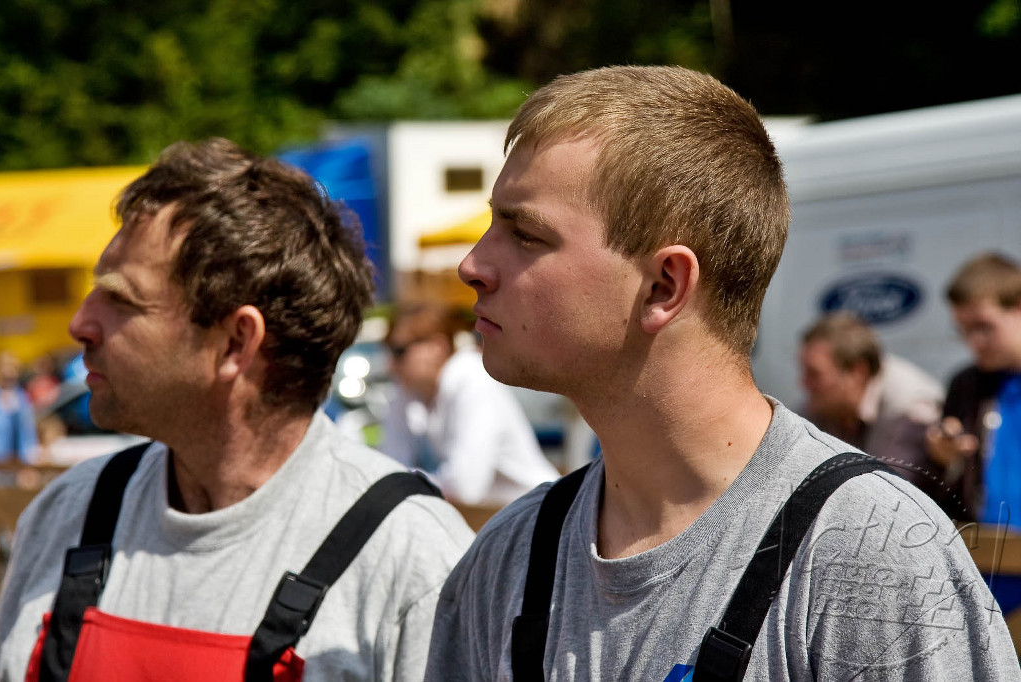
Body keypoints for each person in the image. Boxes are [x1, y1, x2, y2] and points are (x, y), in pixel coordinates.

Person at [424, 66, 1019, 680]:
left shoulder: (871, 556)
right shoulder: (509, 559)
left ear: (664, 286)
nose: (473, 266)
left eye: (525, 234)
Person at [0, 138, 474, 681]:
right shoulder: (68, 514)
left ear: (235, 342)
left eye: (122, 300)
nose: (80, 324)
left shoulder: (408, 560)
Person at [381, 302, 559, 506]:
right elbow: (390, 468)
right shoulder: (410, 392)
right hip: (496, 514)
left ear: (437, 347)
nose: (389, 365)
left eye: (399, 351)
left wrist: (405, 482)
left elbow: (465, 488)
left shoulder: (472, 379)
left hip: (543, 513)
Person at [798, 312, 945, 497]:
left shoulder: (909, 407)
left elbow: (889, 491)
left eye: (814, 374)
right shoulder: (820, 405)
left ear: (858, 372)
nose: (803, 383)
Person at [926, 252, 1021, 529]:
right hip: (985, 547)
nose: (974, 342)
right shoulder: (966, 385)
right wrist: (942, 457)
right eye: (964, 330)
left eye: (984, 327)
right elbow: (947, 487)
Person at [0, 351, 38, 464]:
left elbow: (28, 433)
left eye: (14, 367)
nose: (10, 371)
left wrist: (30, 460)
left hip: (17, 463)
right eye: (6, 366)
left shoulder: (21, 396)